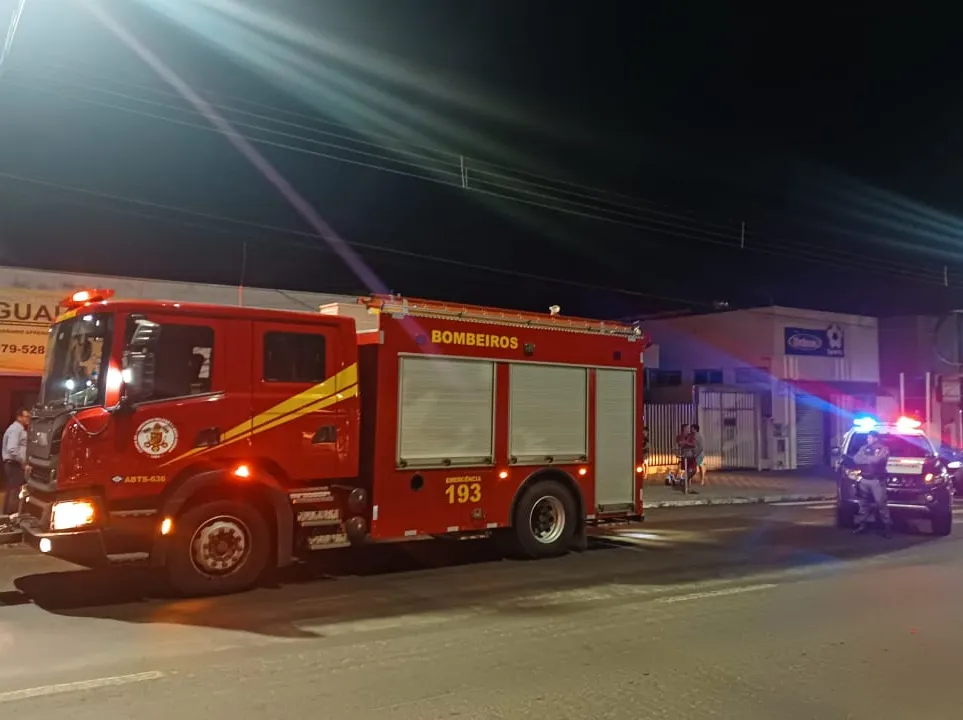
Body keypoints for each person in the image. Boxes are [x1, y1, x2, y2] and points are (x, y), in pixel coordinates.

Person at [852, 430, 892, 538]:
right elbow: (856, 459)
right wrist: (868, 459)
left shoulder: (883, 449)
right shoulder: (864, 448)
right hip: (864, 479)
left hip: (877, 481)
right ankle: (862, 525)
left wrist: (865, 459)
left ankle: (886, 527)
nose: (867, 439)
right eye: (867, 438)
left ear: (875, 438)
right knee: (863, 504)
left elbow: (877, 460)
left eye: (869, 438)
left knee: (881, 504)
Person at [2, 407, 30, 518]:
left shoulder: (18, 428)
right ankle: (12, 515)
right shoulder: (16, 429)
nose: (28, 419)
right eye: (26, 416)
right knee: (15, 490)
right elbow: (12, 449)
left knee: (12, 489)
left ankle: (7, 515)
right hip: (14, 464)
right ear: (19, 417)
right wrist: (23, 462)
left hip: (14, 464)